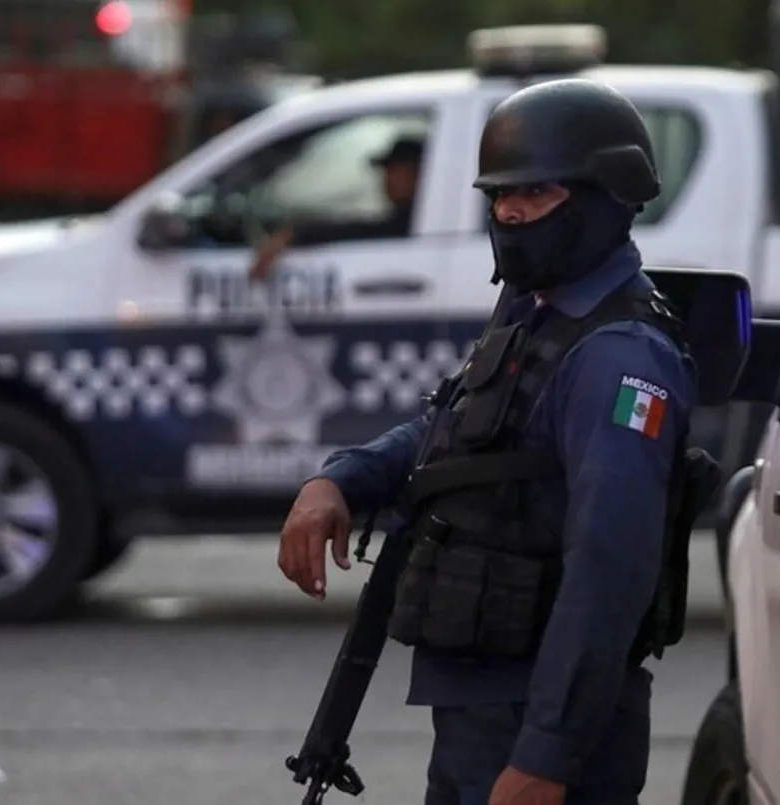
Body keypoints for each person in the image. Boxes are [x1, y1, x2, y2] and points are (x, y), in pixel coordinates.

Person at [277, 77, 698, 805]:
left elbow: (610, 570)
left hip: (535, 715)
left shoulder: (620, 356)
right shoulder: (538, 312)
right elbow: (462, 433)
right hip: (483, 708)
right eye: (500, 195)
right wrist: (341, 480)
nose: (510, 213)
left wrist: (548, 755)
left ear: (606, 197)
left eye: (536, 193)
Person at [248, 135, 423, 281]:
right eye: (387, 172)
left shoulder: (417, 221)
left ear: (418, 174)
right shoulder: (412, 217)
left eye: (395, 171)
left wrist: (296, 235)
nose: (386, 180)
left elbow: (364, 231)